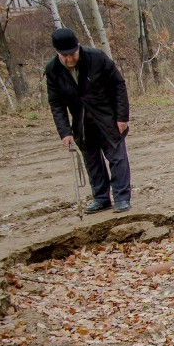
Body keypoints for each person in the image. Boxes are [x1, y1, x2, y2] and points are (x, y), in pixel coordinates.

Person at [45, 28, 132, 214]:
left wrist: (122, 116)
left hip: (107, 118)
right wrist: (65, 132)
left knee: (117, 158)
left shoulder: (97, 58)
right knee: (92, 161)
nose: (69, 59)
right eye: (64, 56)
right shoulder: (52, 70)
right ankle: (101, 199)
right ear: (57, 53)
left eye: (72, 54)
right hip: (81, 123)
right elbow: (56, 103)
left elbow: (118, 85)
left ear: (78, 47)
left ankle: (122, 198)